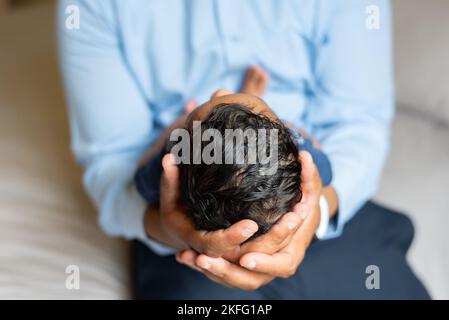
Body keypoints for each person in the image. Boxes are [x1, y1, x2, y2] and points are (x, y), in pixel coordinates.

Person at [58, 0, 430, 299]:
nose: (220, 92)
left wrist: (316, 212)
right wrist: (173, 229)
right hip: (183, 246)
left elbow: (358, 125)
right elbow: (114, 165)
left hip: (315, 216)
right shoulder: (302, 154)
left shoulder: (166, 165)